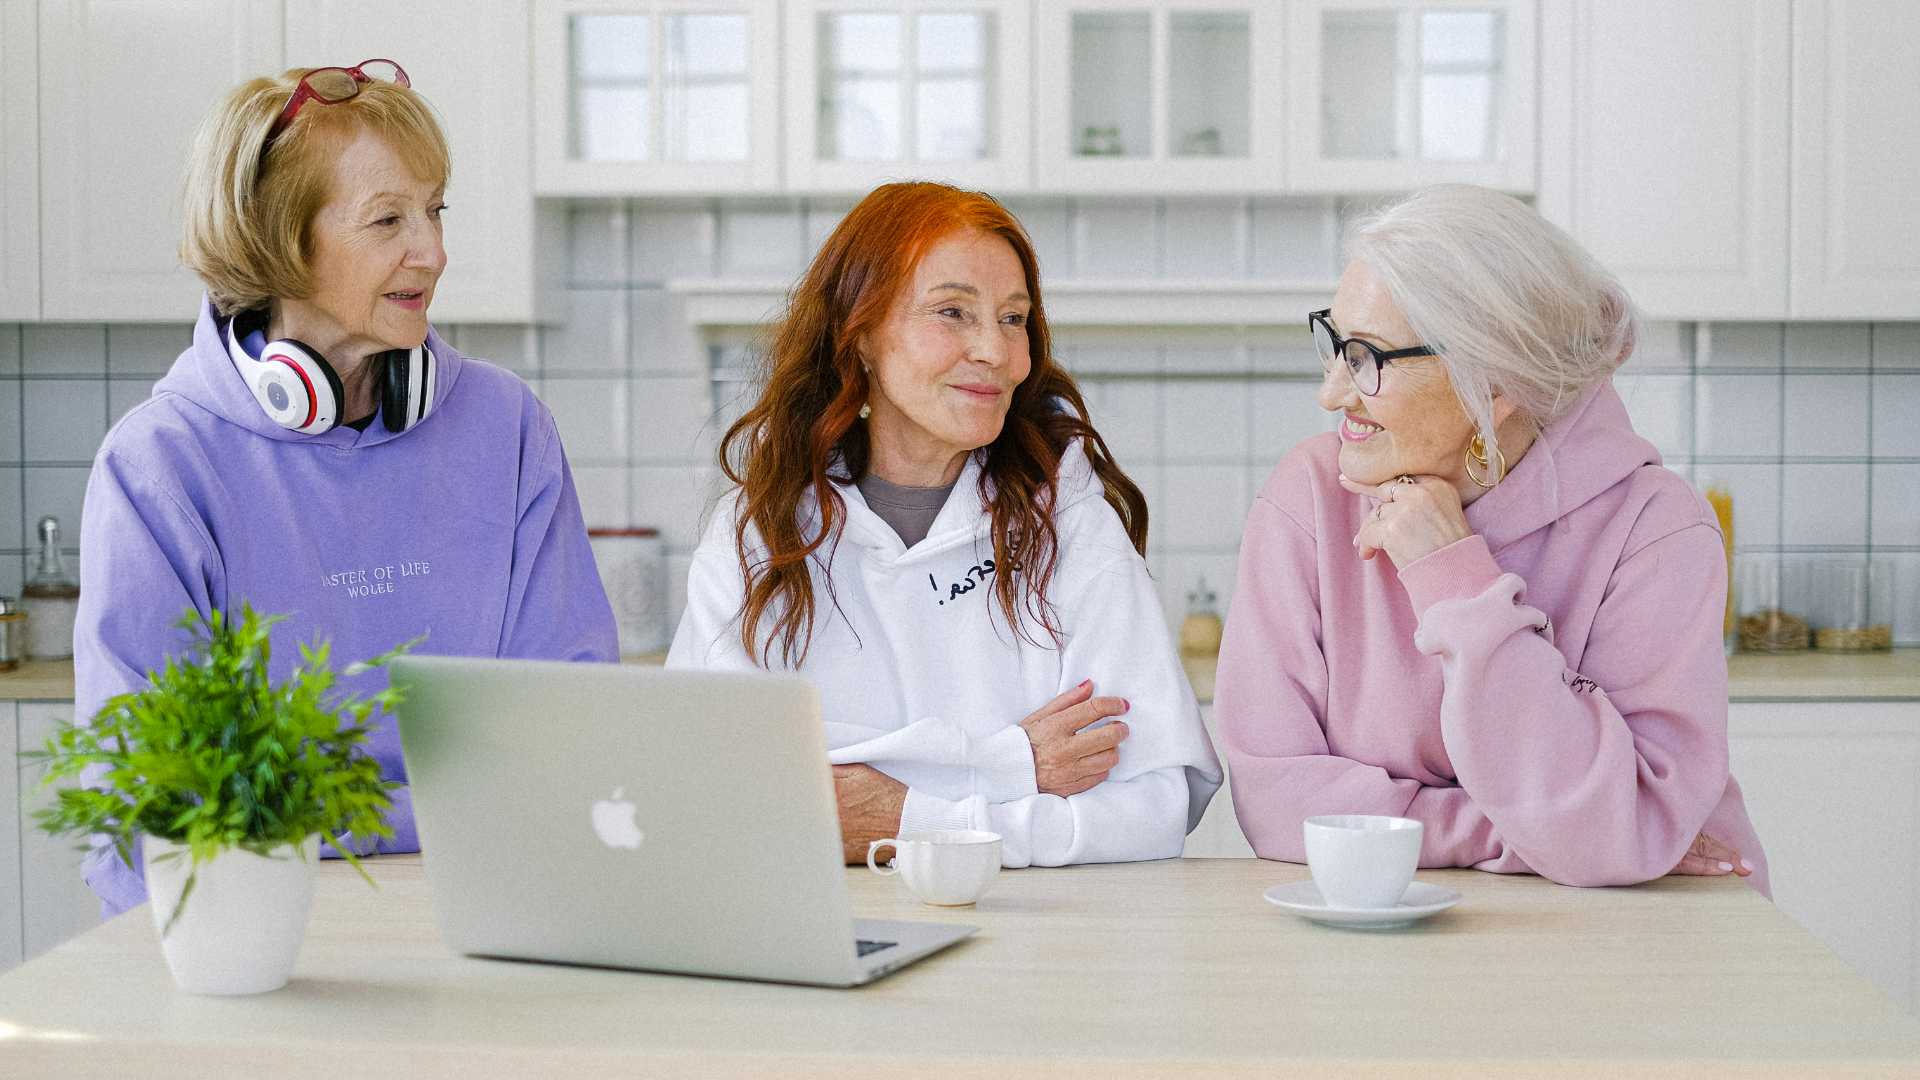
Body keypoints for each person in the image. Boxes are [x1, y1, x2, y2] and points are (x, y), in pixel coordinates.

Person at [74, 60, 617, 915]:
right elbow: (155, 808)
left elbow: (573, 741)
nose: (433, 251)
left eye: (435, 210)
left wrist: (314, 822)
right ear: (277, 239)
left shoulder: (507, 428)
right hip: (252, 930)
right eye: (387, 219)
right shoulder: (160, 466)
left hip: (493, 909)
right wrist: (437, 816)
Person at [1217, 184, 1769, 894]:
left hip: (1644, 938)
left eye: (1368, 358)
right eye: (1335, 344)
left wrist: (1455, 581)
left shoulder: (1658, 531)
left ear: (1494, 383)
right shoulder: (1312, 498)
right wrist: (1517, 833)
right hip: (1399, 935)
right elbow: (1276, 801)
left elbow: (1620, 828)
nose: (1332, 392)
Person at [668, 181, 1221, 867]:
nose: (995, 350)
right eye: (953, 312)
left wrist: (892, 817)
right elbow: (719, 796)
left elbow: (1158, 806)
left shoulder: (1071, 525)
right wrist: (1011, 764)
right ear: (861, 333)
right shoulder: (756, 536)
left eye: (1013, 318)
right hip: (824, 941)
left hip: (1040, 951)